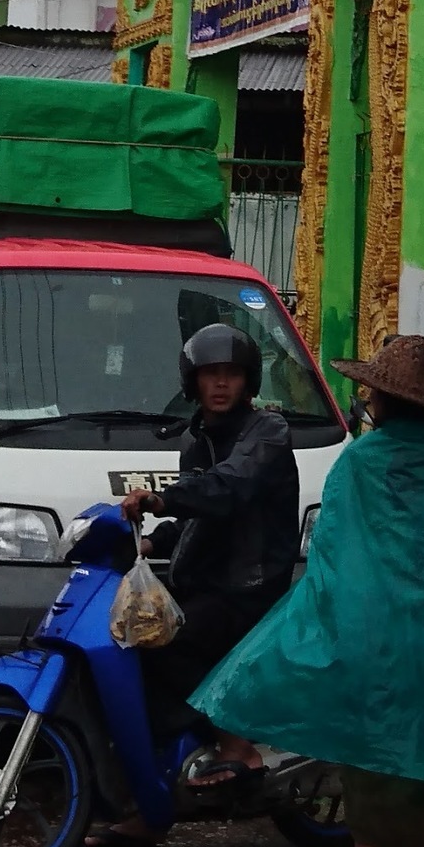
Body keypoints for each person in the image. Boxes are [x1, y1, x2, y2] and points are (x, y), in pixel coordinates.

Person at [195, 331, 424, 847]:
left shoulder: (361, 464)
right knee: (413, 791)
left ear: (380, 399)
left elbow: (334, 563)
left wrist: (305, 635)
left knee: (370, 795)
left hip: (370, 647)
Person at [140, 316, 303, 759]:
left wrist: (160, 499)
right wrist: (151, 542)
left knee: (164, 643)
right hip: (205, 579)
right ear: (193, 381)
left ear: (248, 382)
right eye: (211, 374)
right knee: (129, 629)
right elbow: (197, 515)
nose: (221, 384)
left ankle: (231, 742)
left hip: (246, 586)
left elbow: (227, 488)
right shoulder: (197, 439)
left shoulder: (267, 432)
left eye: (231, 374)